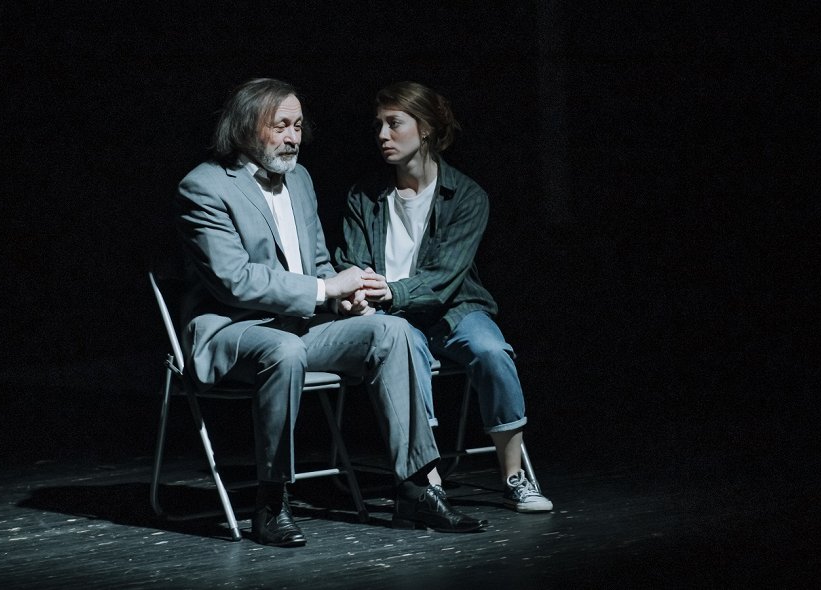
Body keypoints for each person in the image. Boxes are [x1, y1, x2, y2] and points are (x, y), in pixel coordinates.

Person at [175, 78, 484, 547]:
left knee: (393, 331)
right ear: (246, 127)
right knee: (284, 351)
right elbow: (234, 280)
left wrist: (345, 297)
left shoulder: (299, 180)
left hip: (301, 326)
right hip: (234, 330)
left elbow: (318, 263)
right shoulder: (204, 186)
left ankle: (416, 487)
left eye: (298, 126)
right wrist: (325, 289)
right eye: (281, 126)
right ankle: (271, 500)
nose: (293, 137)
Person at [334, 81, 553, 513]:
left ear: (426, 128)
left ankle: (513, 476)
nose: (383, 135)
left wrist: (392, 291)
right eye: (378, 125)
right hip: (392, 317)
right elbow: (351, 261)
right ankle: (428, 479)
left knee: (493, 352)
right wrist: (356, 294)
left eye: (394, 124)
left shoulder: (467, 196)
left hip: (454, 309)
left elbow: (445, 276)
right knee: (405, 352)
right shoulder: (364, 194)